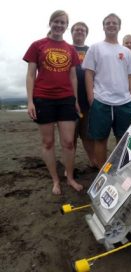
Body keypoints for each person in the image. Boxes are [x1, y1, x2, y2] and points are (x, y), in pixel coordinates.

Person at [23, 10, 83, 195]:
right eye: (56, 22)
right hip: (43, 99)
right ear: (50, 23)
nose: (59, 25)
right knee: (48, 142)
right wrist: (30, 101)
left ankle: (70, 177)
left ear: (66, 26)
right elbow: (31, 75)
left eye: (62, 23)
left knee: (68, 142)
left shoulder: (70, 49)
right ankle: (55, 180)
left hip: (66, 99)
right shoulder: (37, 45)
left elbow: (73, 77)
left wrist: (75, 100)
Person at [82, 13, 131, 170]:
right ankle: (103, 173)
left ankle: (122, 170)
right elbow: (89, 73)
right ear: (103, 26)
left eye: (114, 23)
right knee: (100, 139)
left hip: (124, 101)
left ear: (119, 27)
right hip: (101, 100)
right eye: (108, 23)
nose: (111, 25)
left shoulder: (126, 51)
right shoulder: (95, 48)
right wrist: (91, 98)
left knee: (124, 139)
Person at [71, 21, 96, 168]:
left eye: (82, 30)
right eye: (76, 30)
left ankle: (93, 161)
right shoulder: (66, 48)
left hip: (88, 99)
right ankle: (70, 165)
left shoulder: (91, 50)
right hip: (69, 100)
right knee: (70, 137)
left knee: (87, 135)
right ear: (72, 32)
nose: (79, 32)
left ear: (86, 34)